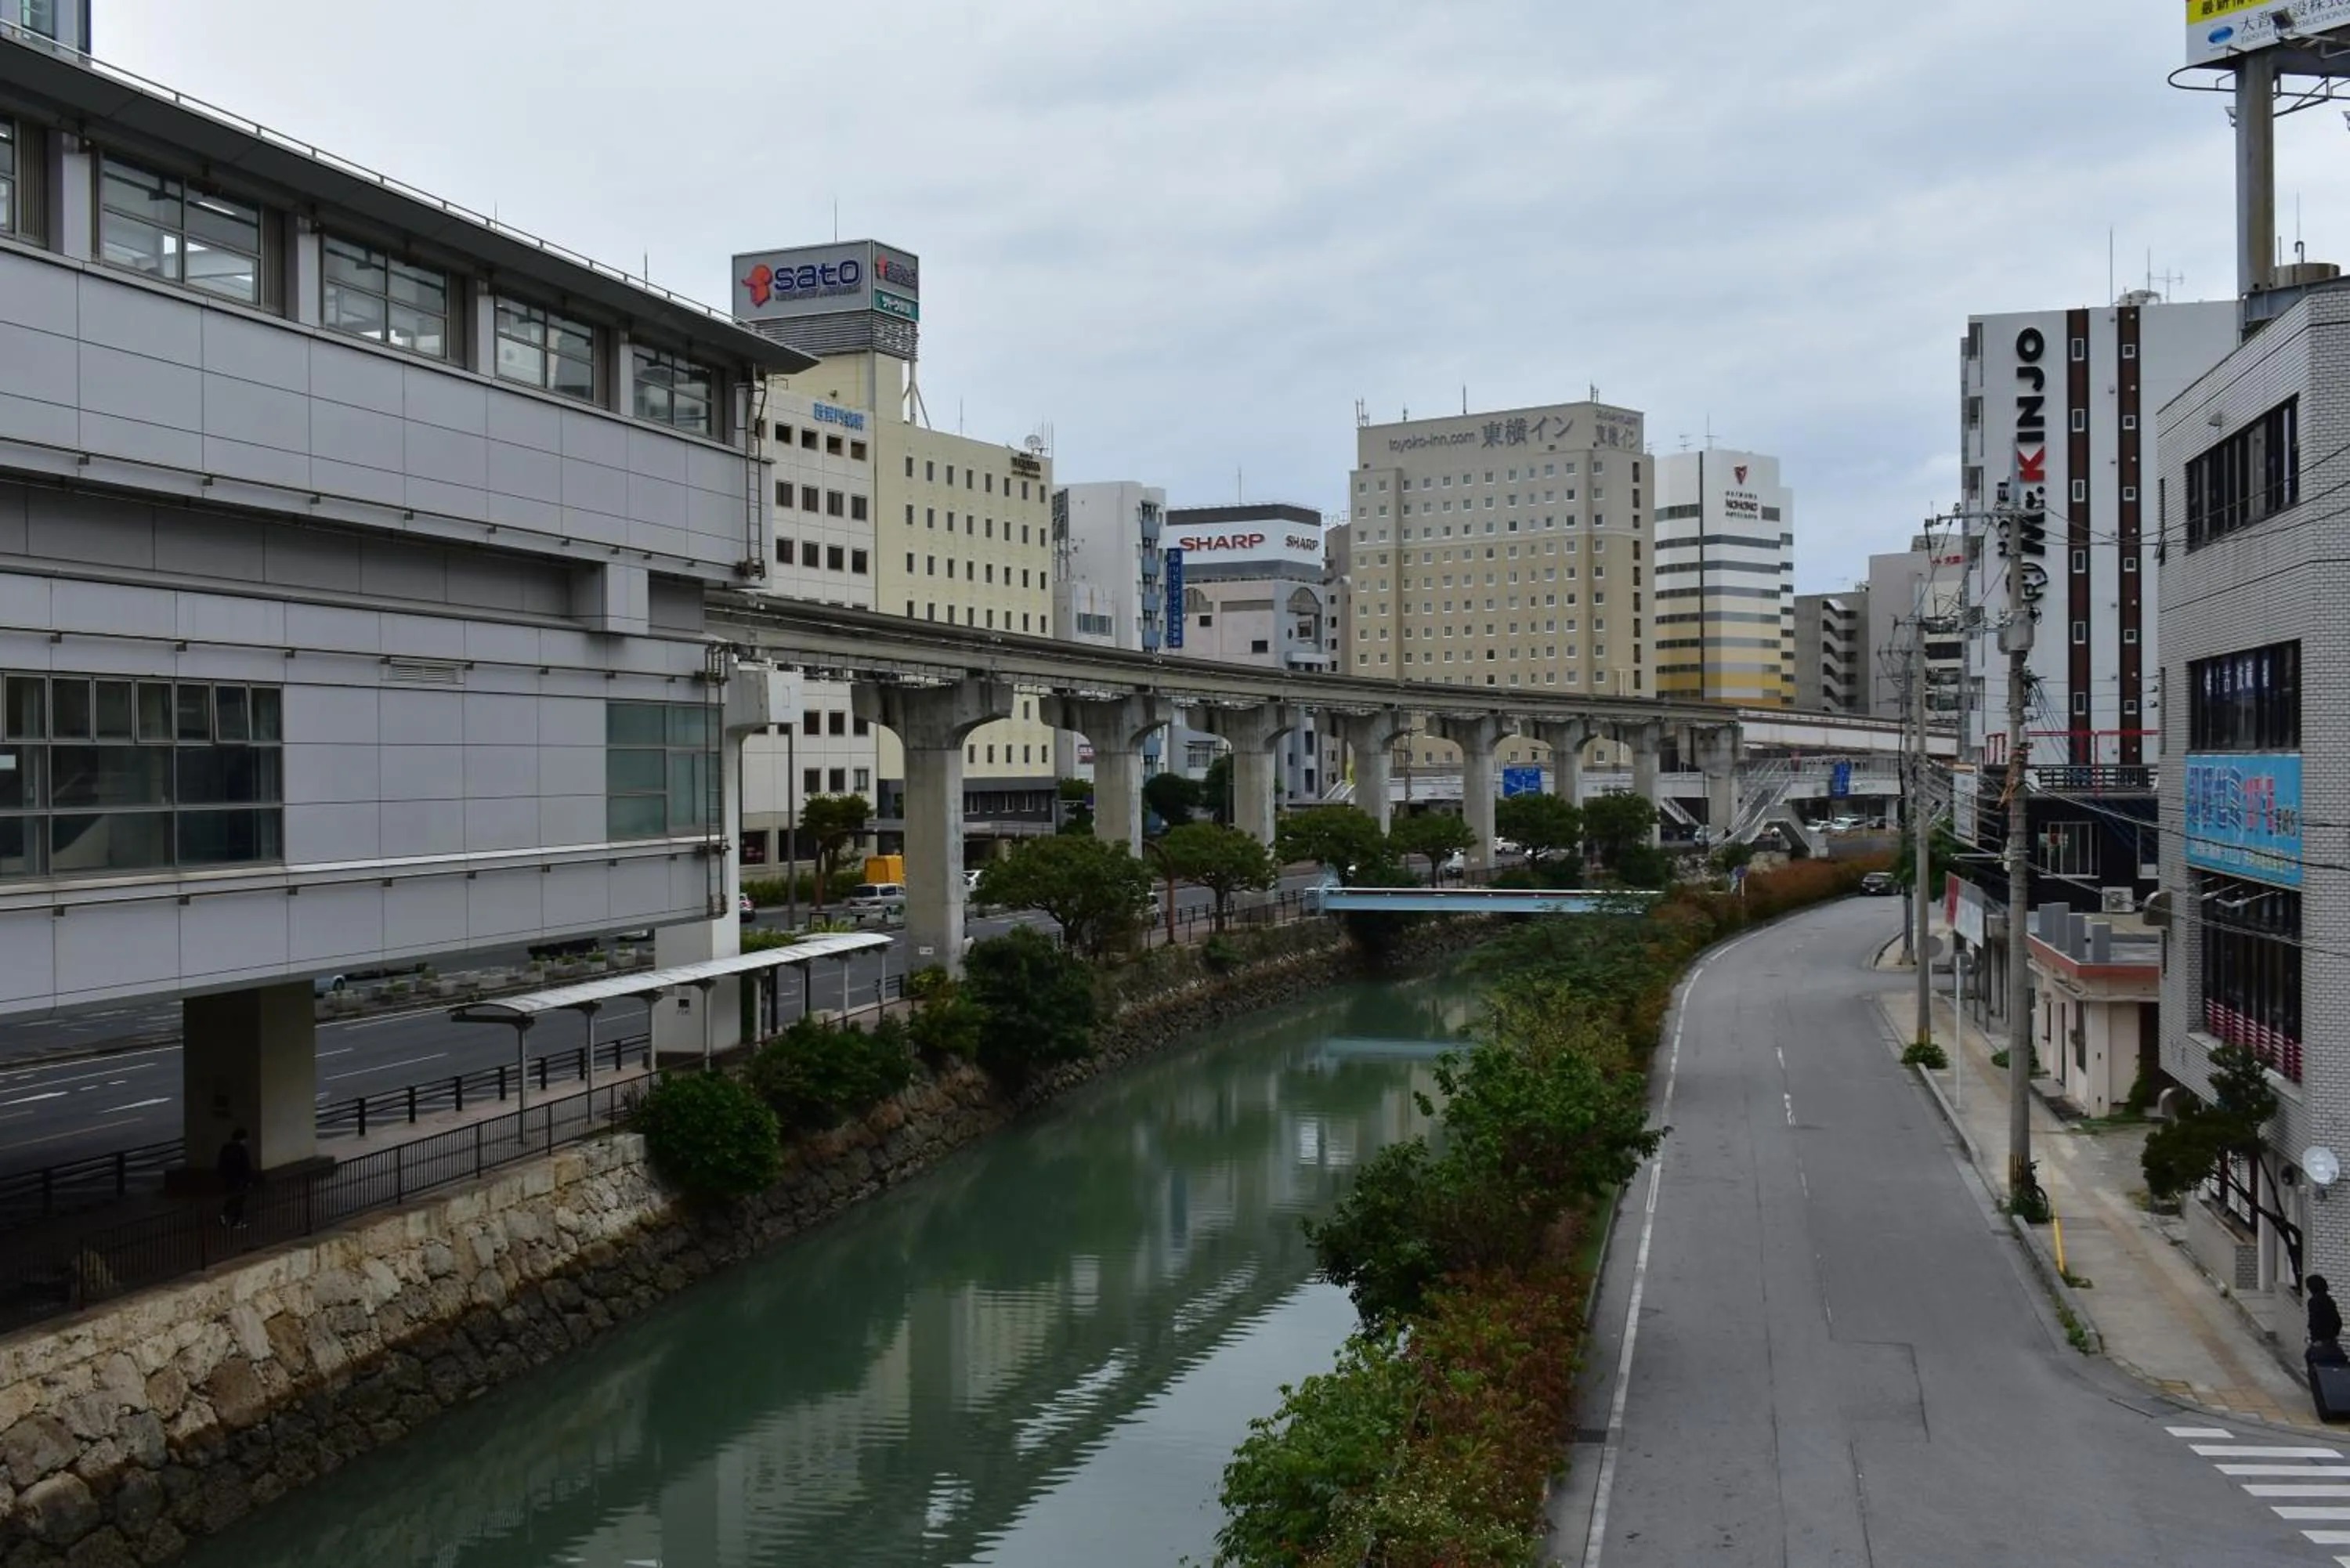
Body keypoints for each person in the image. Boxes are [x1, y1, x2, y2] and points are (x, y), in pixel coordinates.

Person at [216, 1129, 254, 1229]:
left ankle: (229, 1217)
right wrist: (248, 1180)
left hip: (229, 1178)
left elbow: (221, 1164)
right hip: (240, 1179)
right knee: (240, 1199)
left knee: (233, 1197)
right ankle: (236, 1220)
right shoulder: (241, 1149)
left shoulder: (226, 1148)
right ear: (242, 1139)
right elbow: (246, 1166)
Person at [2310, 1274, 2344, 1355]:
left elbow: (2315, 1321)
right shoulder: (2330, 1301)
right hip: (2331, 1339)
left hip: (2321, 1340)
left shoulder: (2314, 1301)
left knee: (2311, 1356)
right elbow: (2338, 1321)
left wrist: (2316, 1339)